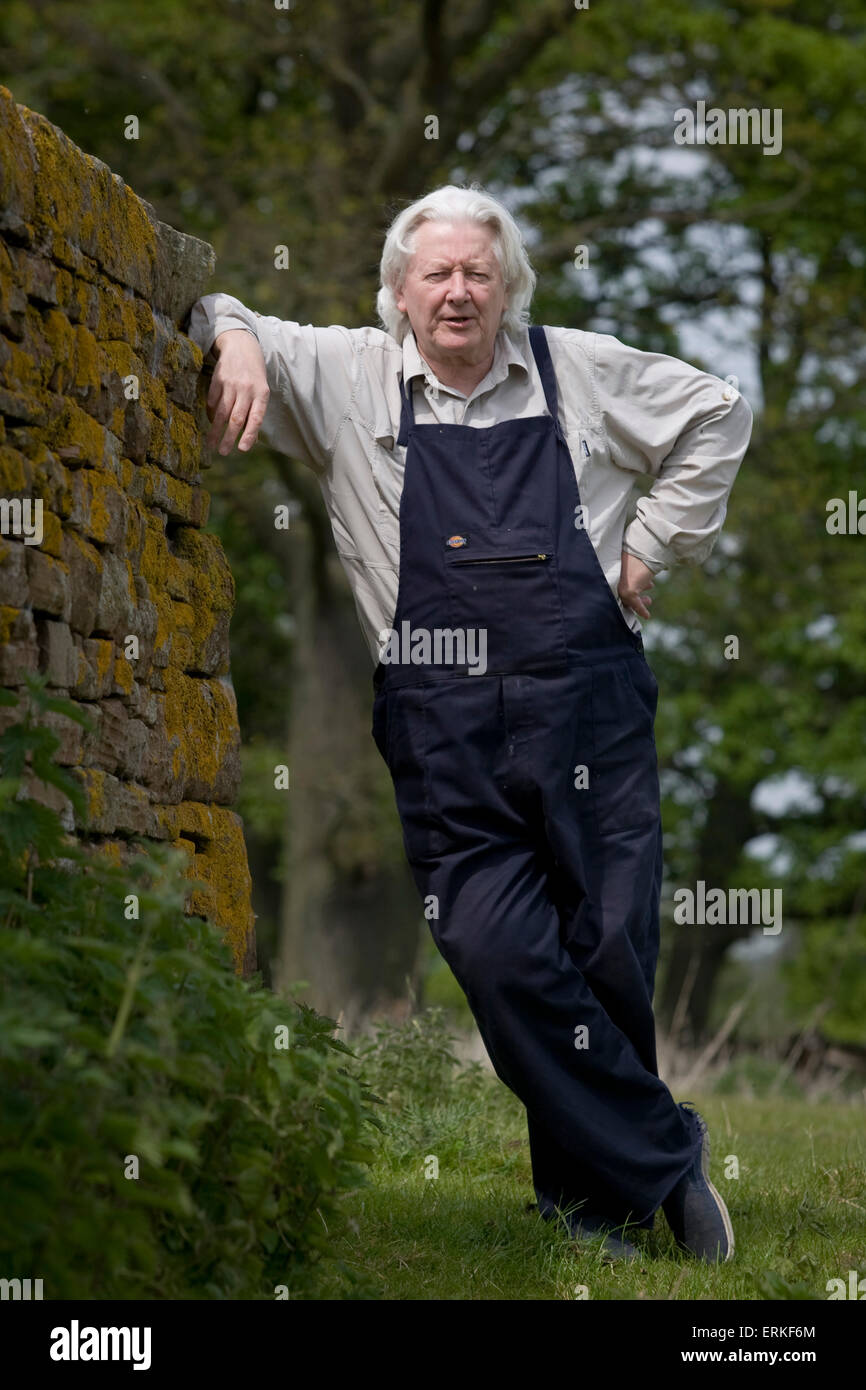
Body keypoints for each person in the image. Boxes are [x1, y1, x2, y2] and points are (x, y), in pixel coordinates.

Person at [188, 184, 752, 1262]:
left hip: (587, 708)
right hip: (442, 730)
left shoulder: (571, 367)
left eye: (477, 274)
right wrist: (234, 340)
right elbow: (225, 305)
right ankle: (664, 1157)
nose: (457, 291)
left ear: (507, 289)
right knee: (495, 951)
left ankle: (596, 1215)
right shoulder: (348, 376)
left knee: (609, 950)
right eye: (436, 273)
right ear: (398, 289)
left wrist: (648, 548)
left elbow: (716, 409)